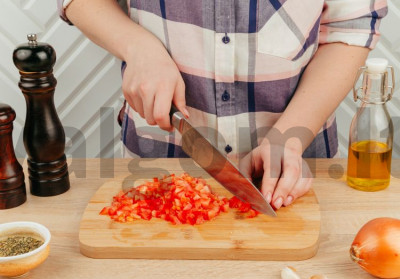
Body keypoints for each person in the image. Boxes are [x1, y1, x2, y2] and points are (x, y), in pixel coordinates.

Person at [58, 0, 387, 210]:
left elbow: (353, 25)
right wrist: (138, 47)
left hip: (293, 170)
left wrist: (288, 136)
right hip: (159, 162)